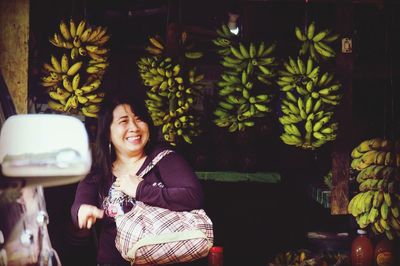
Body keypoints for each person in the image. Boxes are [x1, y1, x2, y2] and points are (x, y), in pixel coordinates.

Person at [70, 92, 205, 266]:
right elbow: (79, 205)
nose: (134, 127)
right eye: (124, 121)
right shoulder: (98, 172)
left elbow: (194, 196)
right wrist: (81, 211)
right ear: (108, 132)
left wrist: (141, 190)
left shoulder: (164, 158)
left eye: (139, 119)